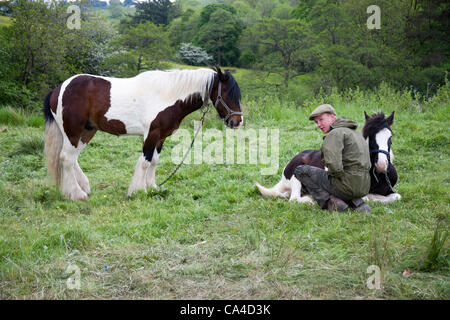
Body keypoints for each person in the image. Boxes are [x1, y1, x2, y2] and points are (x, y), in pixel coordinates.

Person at [294, 104, 371, 212]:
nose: (319, 124)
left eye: (321, 119)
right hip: (364, 186)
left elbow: (334, 166)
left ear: (332, 117)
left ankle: (331, 203)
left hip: (347, 185)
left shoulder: (335, 134)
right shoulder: (356, 134)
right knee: (337, 178)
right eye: (316, 122)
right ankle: (358, 203)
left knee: (301, 170)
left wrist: (333, 179)